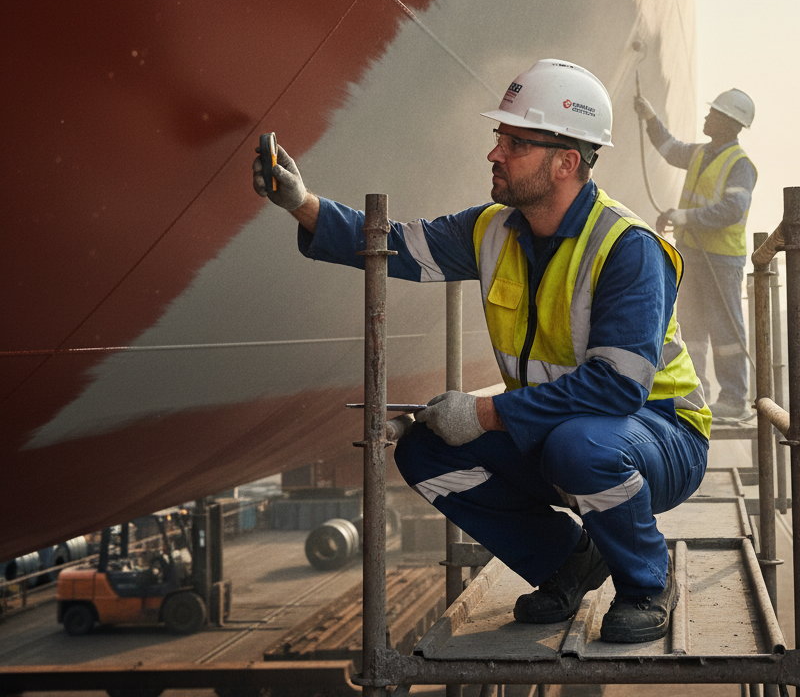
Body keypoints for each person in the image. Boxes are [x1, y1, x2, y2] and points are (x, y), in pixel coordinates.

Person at [253, 59, 710, 643]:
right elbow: (392, 244)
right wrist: (302, 203)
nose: (495, 154)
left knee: (581, 447)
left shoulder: (627, 248)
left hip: (659, 434)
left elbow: (618, 387)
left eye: (515, 142)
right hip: (565, 427)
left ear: (566, 162)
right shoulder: (492, 229)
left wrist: (485, 413)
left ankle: (648, 582)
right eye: (500, 138)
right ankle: (568, 561)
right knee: (424, 450)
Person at [633, 89, 757, 420]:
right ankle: (697, 391)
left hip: (721, 260)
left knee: (726, 332)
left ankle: (734, 400)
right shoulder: (702, 153)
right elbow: (672, 150)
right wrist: (650, 118)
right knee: (692, 328)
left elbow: (732, 209)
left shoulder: (741, 166)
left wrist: (685, 217)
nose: (706, 118)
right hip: (694, 256)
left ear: (730, 124)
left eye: (713, 113)